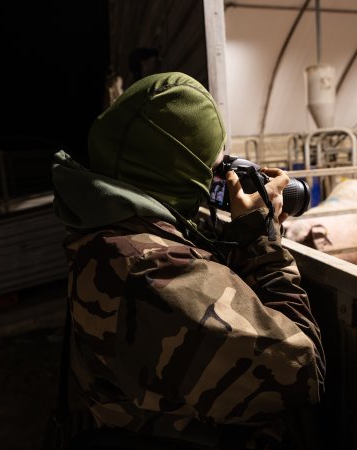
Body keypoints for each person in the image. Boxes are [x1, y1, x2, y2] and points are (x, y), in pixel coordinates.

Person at [51, 72, 325, 449]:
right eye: (210, 167)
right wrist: (263, 242)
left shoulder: (105, 224)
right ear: (178, 170)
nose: (215, 177)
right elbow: (303, 372)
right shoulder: (153, 270)